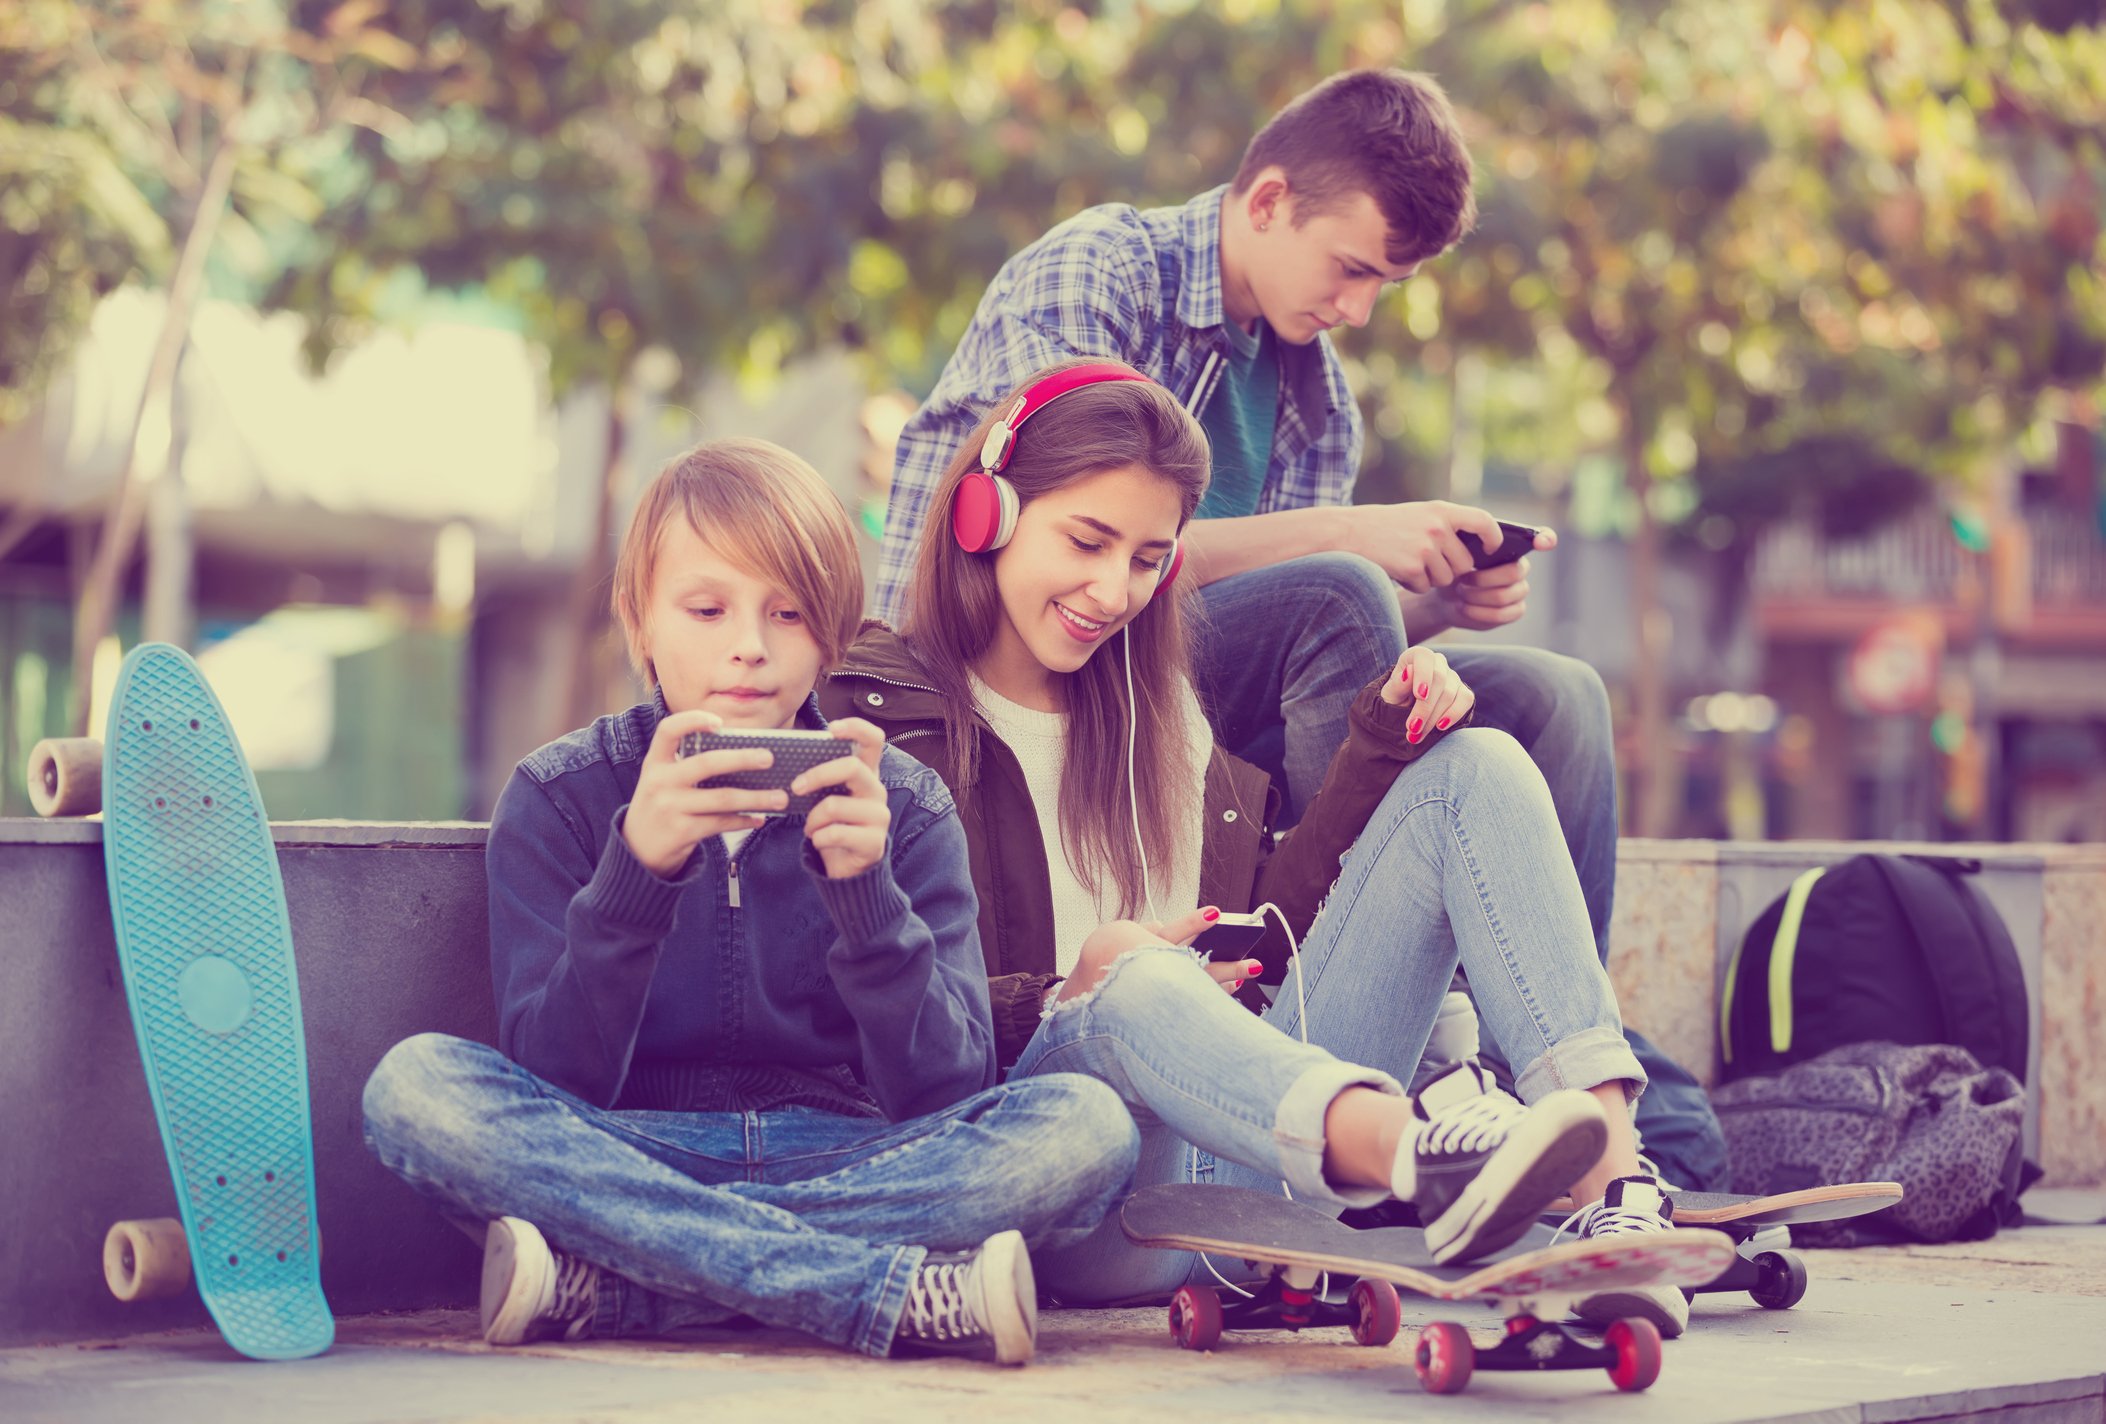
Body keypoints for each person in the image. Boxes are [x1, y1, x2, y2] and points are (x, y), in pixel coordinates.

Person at [874, 67, 1727, 1194]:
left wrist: (1432, 607)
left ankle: (1560, 1092)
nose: (1362, 308)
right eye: (1356, 269)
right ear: (1268, 200)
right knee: (1335, 589)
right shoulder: (1101, 273)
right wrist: (1358, 537)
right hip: (992, 661)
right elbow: (1073, 521)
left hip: (1184, 704)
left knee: (1548, 699)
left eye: (1390, 284)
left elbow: (1271, 616)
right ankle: (1439, 1072)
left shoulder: (1318, 395)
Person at [827, 360, 1708, 1336]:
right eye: (1087, 539)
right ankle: (1426, 1153)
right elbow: (869, 1025)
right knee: (1132, 968)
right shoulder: (878, 714)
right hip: (1067, 1186)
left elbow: (1267, 939)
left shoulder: (1152, 712)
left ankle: (1614, 1192)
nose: (1112, 589)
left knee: (1478, 767)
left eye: (1148, 557)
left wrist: (1381, 748)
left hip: (1256, 1149)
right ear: (984, 514)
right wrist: (1073, 983)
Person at [360, 438, 1146, 1367]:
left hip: (853, 1156)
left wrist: (867, 900)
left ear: (831, 634)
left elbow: (950, 1092)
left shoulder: (903, 803)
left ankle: (627, 1286)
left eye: (789, 614)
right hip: (633, 1148)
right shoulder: (561, 795)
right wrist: (637, 876)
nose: (750, 647)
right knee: (415, 1090)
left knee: (1085, 1130)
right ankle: (871, 1292)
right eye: (706, 608)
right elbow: (554, 1078)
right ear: (638, 620)